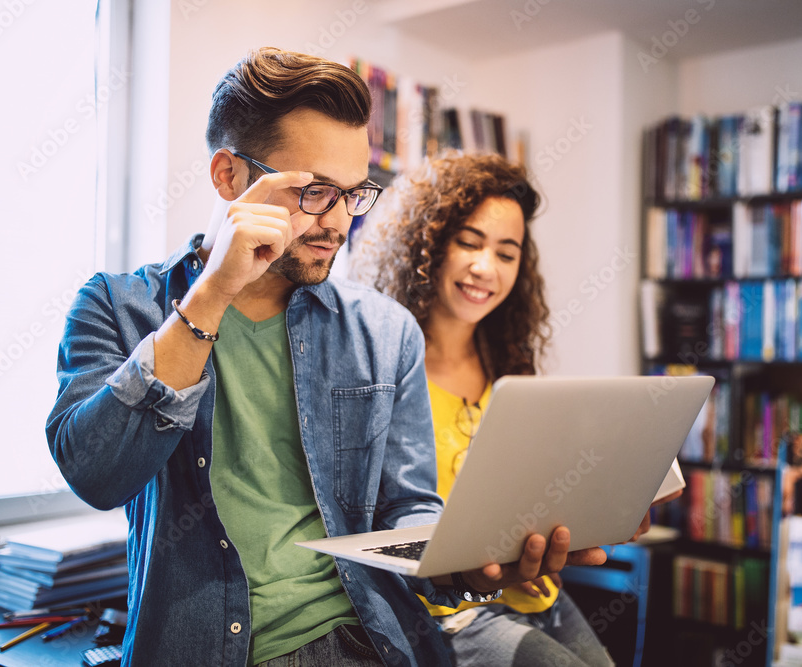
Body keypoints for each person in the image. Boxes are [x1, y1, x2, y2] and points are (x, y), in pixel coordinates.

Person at [45, 49, 603, 667]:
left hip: (374, 643)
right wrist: (209, 298)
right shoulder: (115, 307)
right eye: (313, 192)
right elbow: (96, 476)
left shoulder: (384, 331)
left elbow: (407, 514)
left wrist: (477, 566)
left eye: (351, 193)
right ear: (229, 177)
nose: (337, 221)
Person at [350, 152, 659, 666]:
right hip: (451, 607)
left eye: (506, 253)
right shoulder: (381, 364)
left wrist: (601, 508)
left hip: (534, 590)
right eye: (468, 243)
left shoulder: (507, 365)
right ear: (424, 244)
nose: (484, 268)